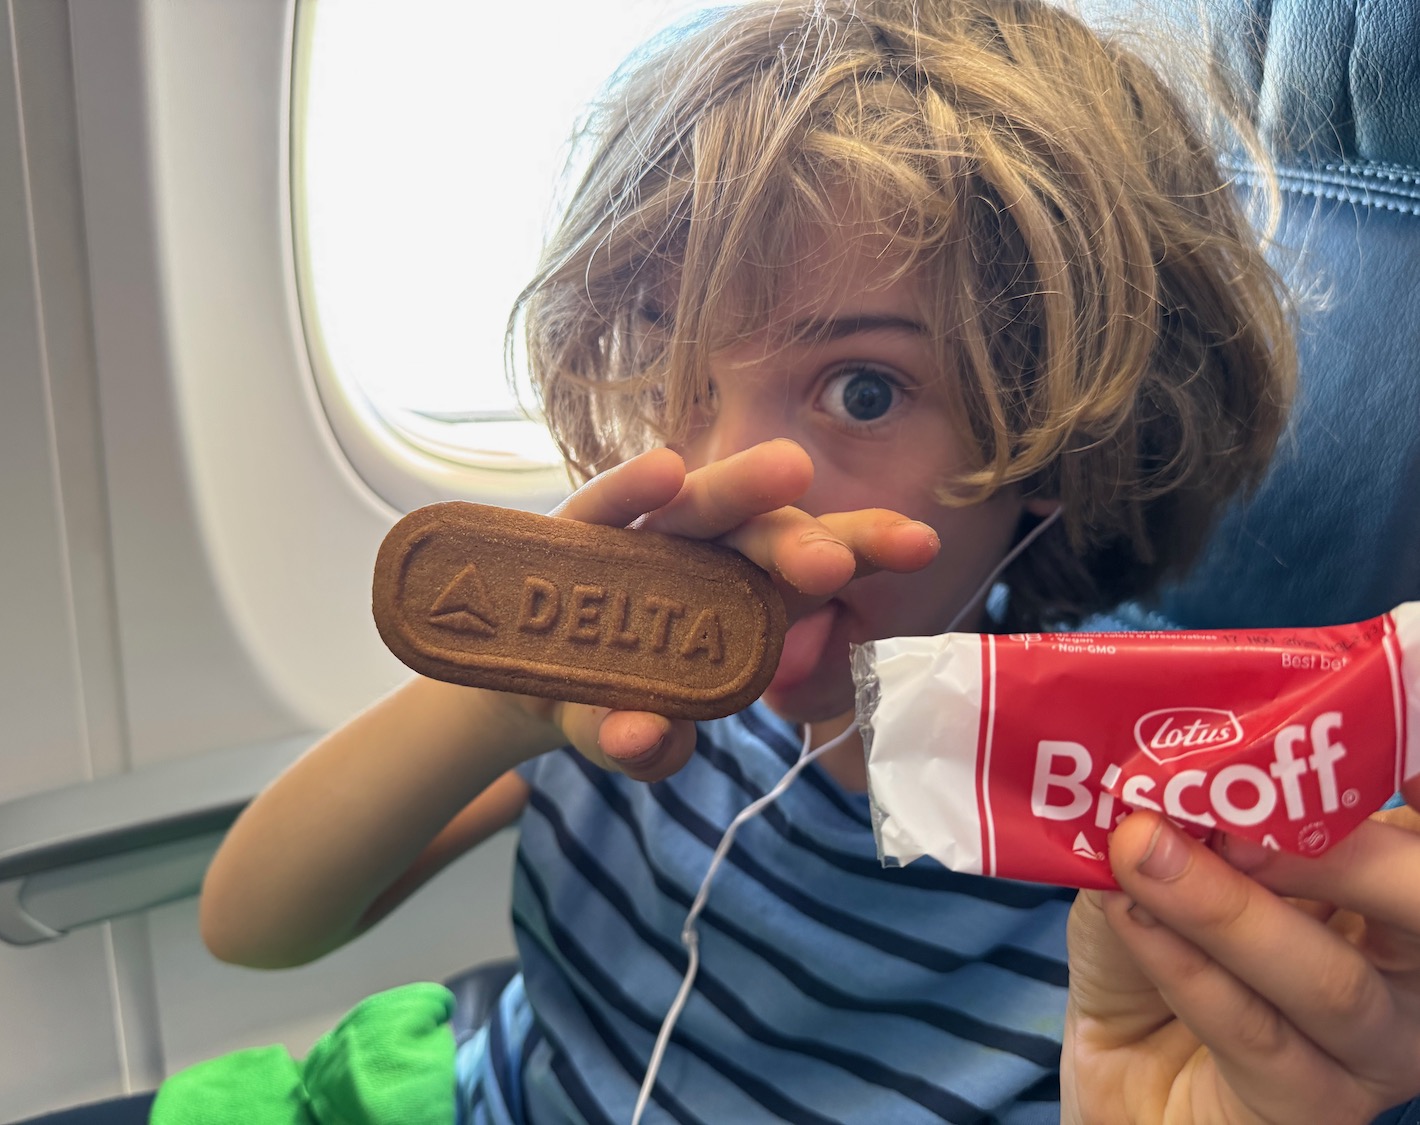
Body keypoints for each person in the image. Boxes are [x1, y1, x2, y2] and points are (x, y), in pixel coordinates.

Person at [196, 1, 1420, 1122]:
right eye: (677, 364)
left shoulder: (1126, 800)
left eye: (864, 391)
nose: (730, 476)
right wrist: (502, 702)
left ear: (1056, 439)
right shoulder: (611, 709)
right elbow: (251, 924)